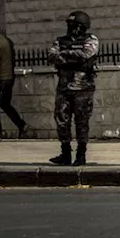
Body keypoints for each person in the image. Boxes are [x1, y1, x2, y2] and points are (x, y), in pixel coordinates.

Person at [47, 11, 100, 166]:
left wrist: (65, 55)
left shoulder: (91, 40)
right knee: (62, 121)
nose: (71, 28)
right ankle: (65, 153)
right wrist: (71, 56)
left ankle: (81, 154)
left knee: (81, 122)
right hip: (64, 88)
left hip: (83, 88)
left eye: (74, 25)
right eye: (69, 25)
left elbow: (86, 54)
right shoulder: (60, 40)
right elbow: (51, 55)